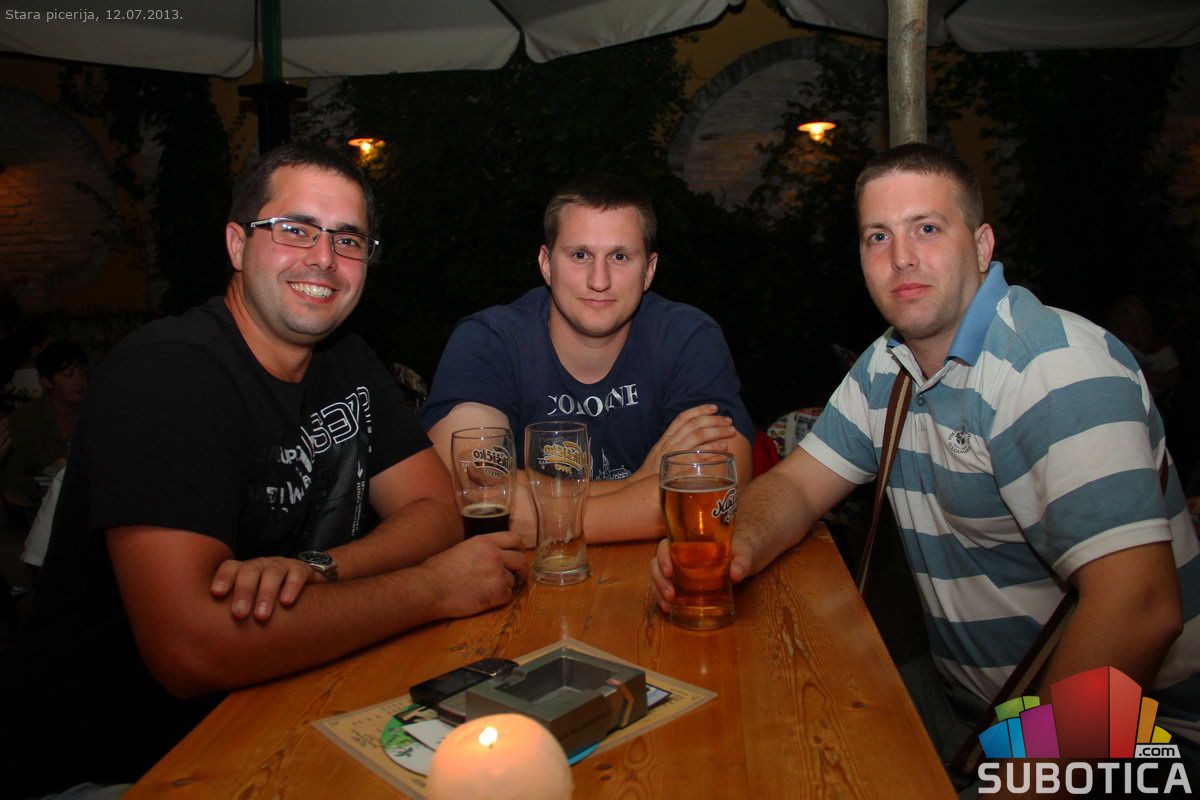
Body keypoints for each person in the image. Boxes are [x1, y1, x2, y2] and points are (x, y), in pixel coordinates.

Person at [651, 143, 1199, 782]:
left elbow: (1139, 610)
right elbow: (797, 485)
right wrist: (733, 547)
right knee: (766, 733)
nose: (901, 257)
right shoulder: (890, 365)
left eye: (928, 228)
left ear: (983, 245)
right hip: (973, 706)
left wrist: (1026, 781)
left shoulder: (1051, 368)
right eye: (877, 236)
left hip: (1136, 738)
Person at [0, 143, 526, 797]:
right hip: (117, 769)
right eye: (295, 229)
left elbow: (438, 509)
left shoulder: (347, 360)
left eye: (348, 240)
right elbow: (194, 648)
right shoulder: (166, 377)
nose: (324, 258)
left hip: (279, 715)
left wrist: (320, 569)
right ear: (237, 243)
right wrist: (432, 589)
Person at [421, 174, 755, 543]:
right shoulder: (489, 342)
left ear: (649, 270)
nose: (599, 280)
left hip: (653, 569)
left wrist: (542, 514)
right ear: (546, 264)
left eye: (620, 256)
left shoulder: (687, 338)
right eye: (580, 255)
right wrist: (642, 483)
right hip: (529, 573)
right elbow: (466, 494)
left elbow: (717, 494)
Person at [1, 340, 87, 512]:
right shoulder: (26, 420)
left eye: (82, 374)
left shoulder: (92, 413)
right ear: (47, 382)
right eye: (69, 375)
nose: (79, 381)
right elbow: (11, 483)